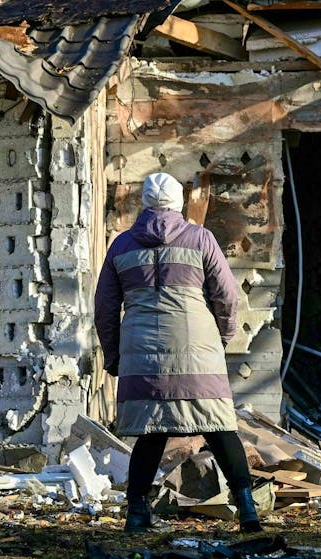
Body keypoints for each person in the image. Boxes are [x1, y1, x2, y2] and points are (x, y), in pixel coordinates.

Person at [94, 172, 261, 533]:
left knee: (152, 431)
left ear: (145, 203)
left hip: (142, 351)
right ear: (178, 203)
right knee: (218, 426)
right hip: (196, 344)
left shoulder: (122, 246)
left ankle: (137, 512)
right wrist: (223, 337)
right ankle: (247, 508)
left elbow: (105, 309)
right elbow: (227, 296)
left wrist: (113, 355)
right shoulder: (201, 239)